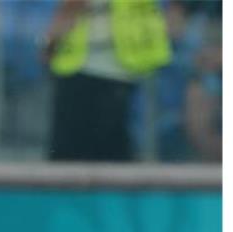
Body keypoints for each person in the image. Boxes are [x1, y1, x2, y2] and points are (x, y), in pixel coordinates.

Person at [43, 0, 171, 161]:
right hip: (127, 60)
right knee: (112, 152)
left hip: (86, 65)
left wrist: (48, 44)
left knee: (71, 158)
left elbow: (73, 6)